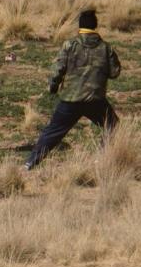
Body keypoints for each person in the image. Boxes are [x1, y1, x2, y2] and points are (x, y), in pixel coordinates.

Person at [25, 10, 121, 170]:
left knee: (52, 132)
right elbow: (115, 73)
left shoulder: (69, 45)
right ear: (95, 26)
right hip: (95, 100)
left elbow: (58, 69)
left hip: (70, 99)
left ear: (80, 26)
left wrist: (53, 87)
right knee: (112, 125)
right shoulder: (106, 48)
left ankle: (30, 163)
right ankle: (102, 159)